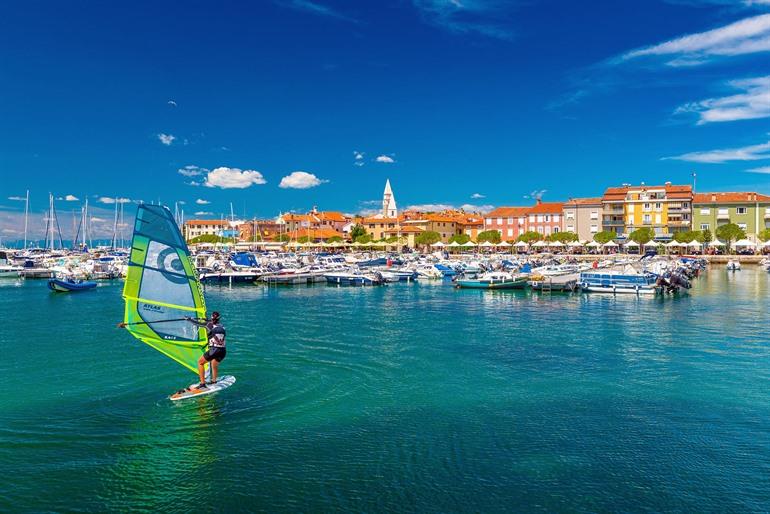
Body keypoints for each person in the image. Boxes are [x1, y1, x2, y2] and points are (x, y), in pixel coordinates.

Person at [186, 311, 227, 390]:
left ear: (211, 317)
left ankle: (202, 384)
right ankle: (214, 381)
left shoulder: (209, 324)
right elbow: (213, 324)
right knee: (214, 364)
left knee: (200, 362)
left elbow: (197, 323)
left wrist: (189, 319)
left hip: (215, 350)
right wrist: (207, 320)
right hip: (223, 351)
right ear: (219, 319)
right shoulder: (222, 326)